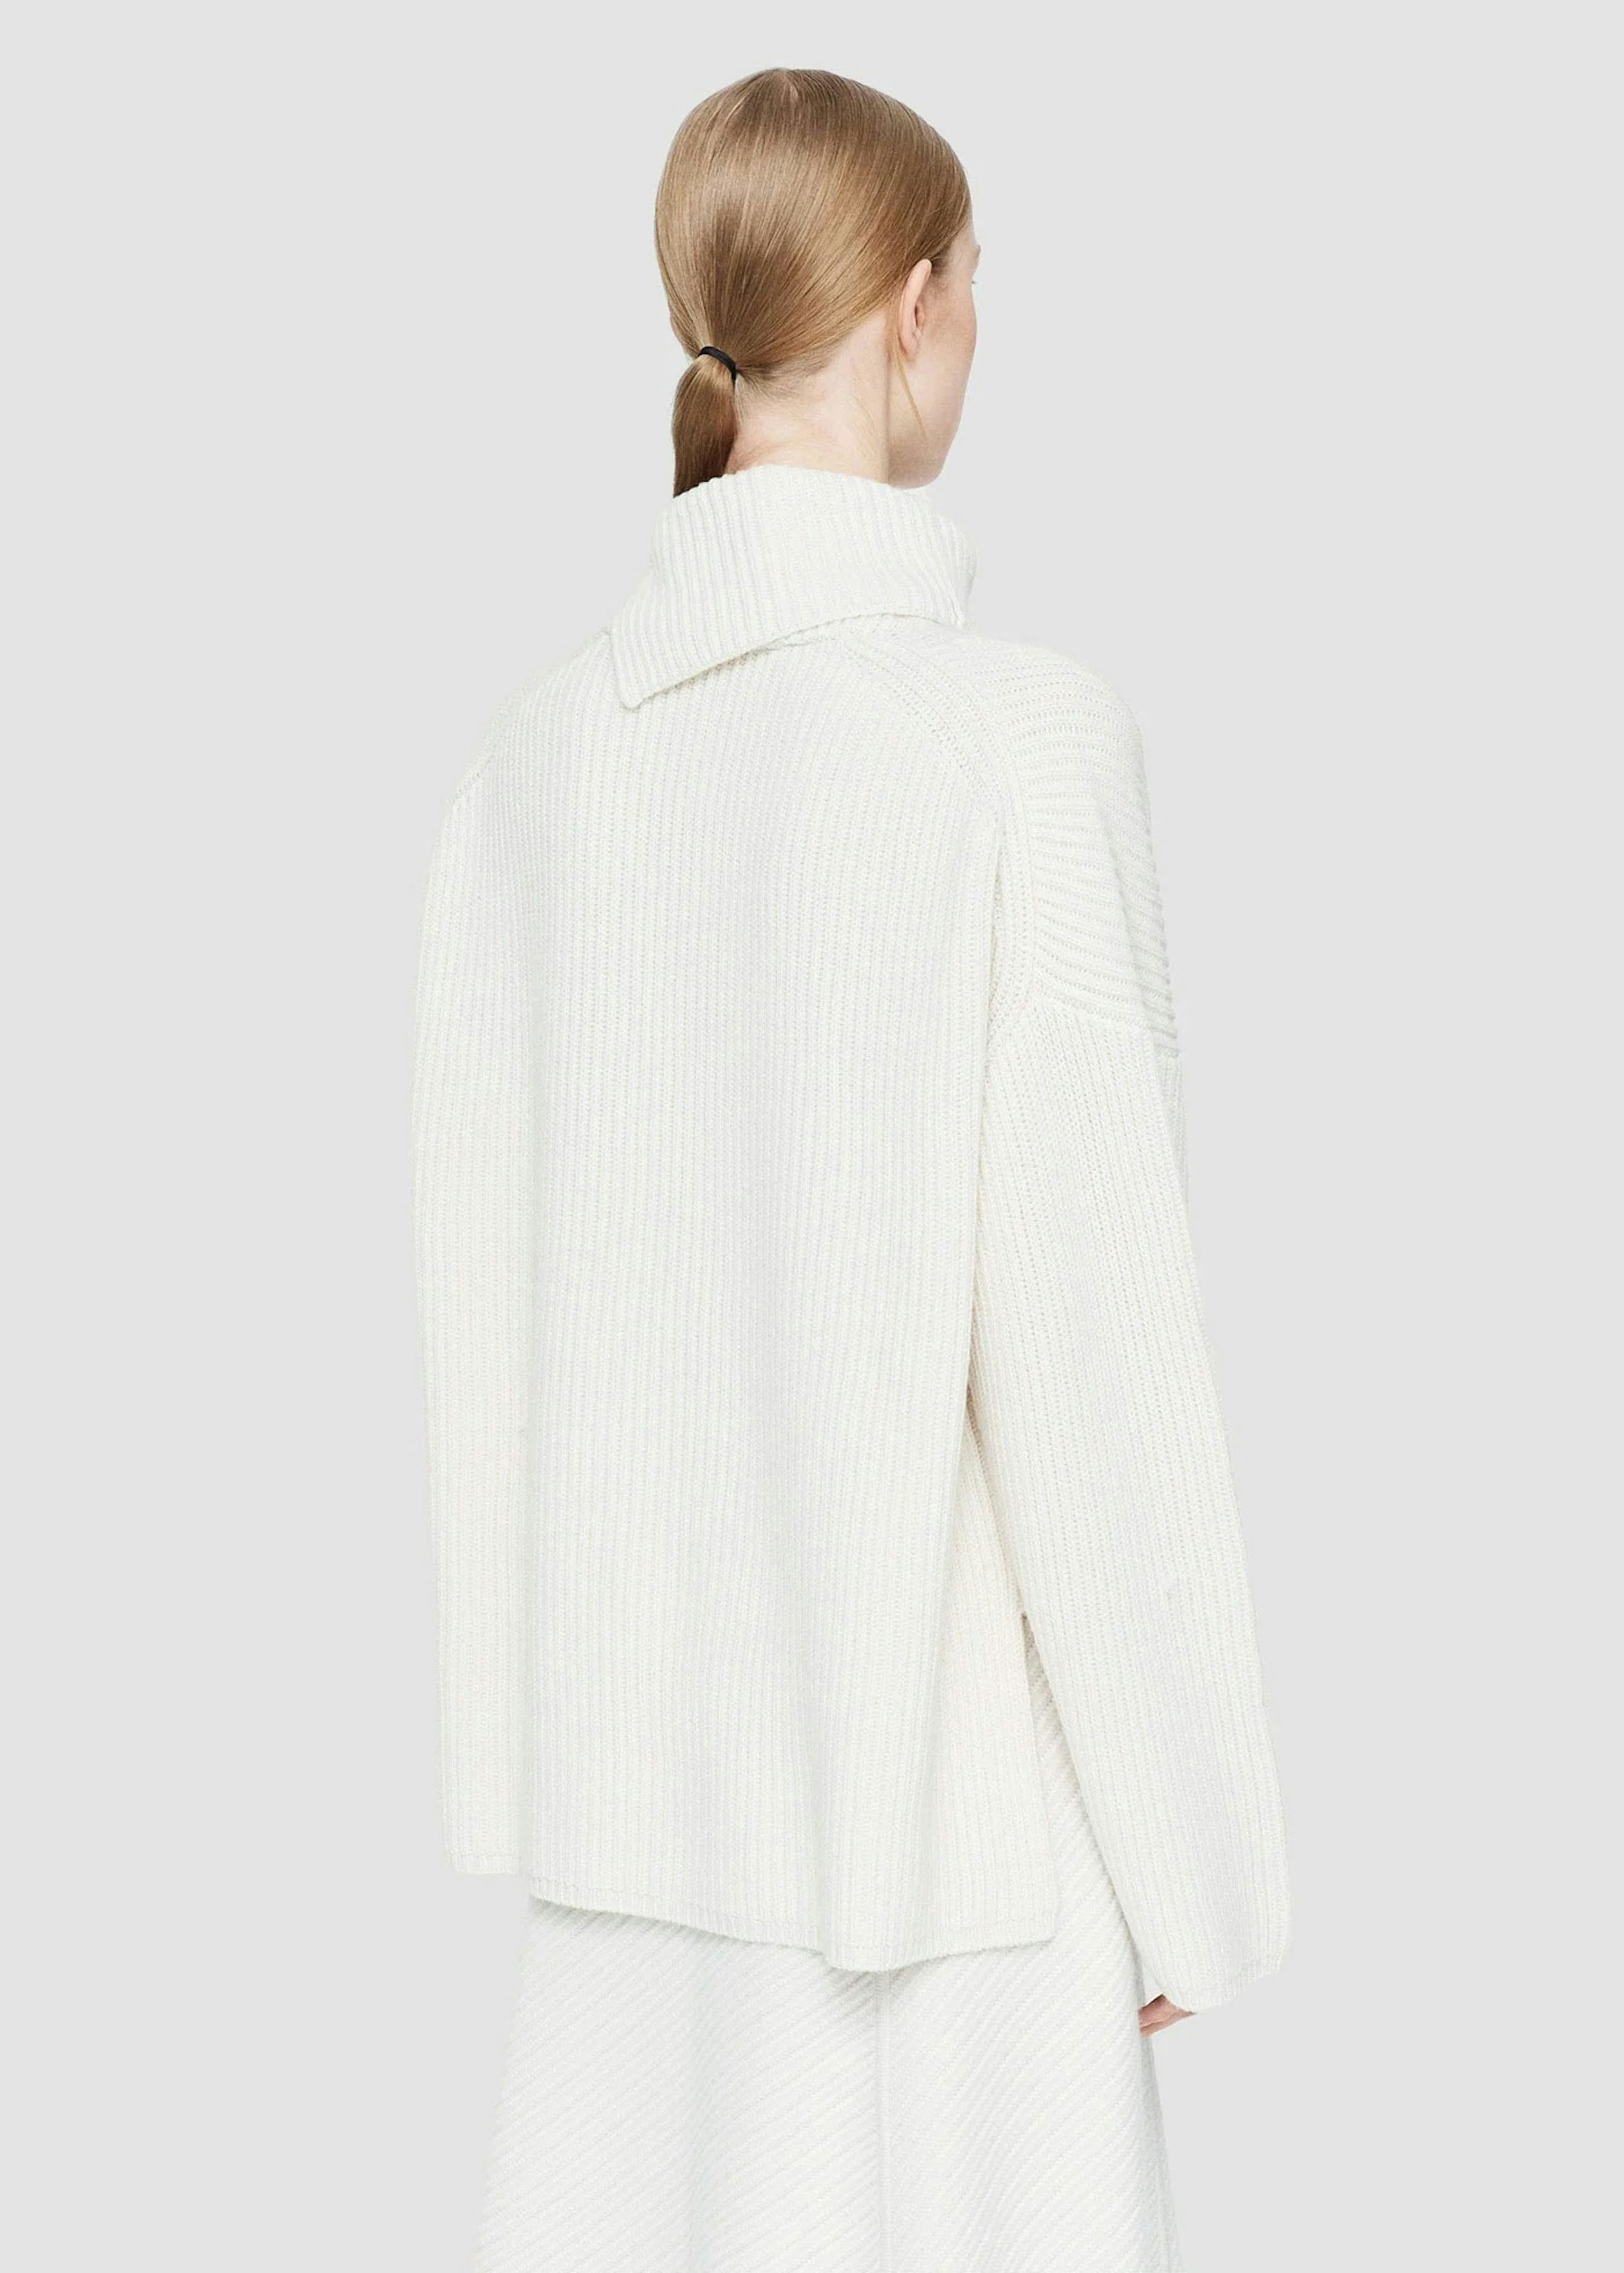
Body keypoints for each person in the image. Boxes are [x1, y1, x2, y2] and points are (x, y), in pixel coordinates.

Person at [413, 65, 1289, 2272]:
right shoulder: (1013, 741)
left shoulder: (530, 765)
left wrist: (531, 1755)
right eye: (978, 278)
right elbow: (1097, 1348)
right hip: (952, 1873)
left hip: (632, 1864)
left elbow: (483, 1310)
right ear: (917, 307)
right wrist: (1196, 1860)